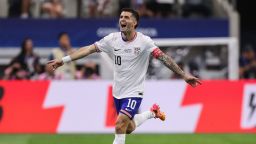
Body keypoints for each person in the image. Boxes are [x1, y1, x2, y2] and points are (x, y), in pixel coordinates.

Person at [47, 8, 201, 144]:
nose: (122, 19)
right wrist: (64, 60)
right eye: (121, 17)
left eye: (127, 17)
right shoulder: (111, 39)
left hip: (135, 92)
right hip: (118, 92)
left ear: (135, 23)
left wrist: (183, 75)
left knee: (119, 125)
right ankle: (152, 113)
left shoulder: (144, 42)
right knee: (128, 128)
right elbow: (88, 49)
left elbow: (163, 58)